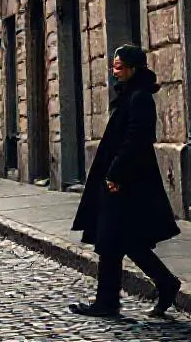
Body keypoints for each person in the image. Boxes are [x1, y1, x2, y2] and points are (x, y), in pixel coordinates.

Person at [69, 45, 182, 318]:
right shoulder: (130, 95)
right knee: (120, 243)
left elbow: (136, 140)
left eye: (119, 66)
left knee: (116, 242)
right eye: (114, 65)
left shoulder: (140, 98)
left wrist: (115, 175)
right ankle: (161, 285)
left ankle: (112, 302)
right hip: (121, 180)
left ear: (133, 69)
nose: (114, 69)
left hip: (127, 182)